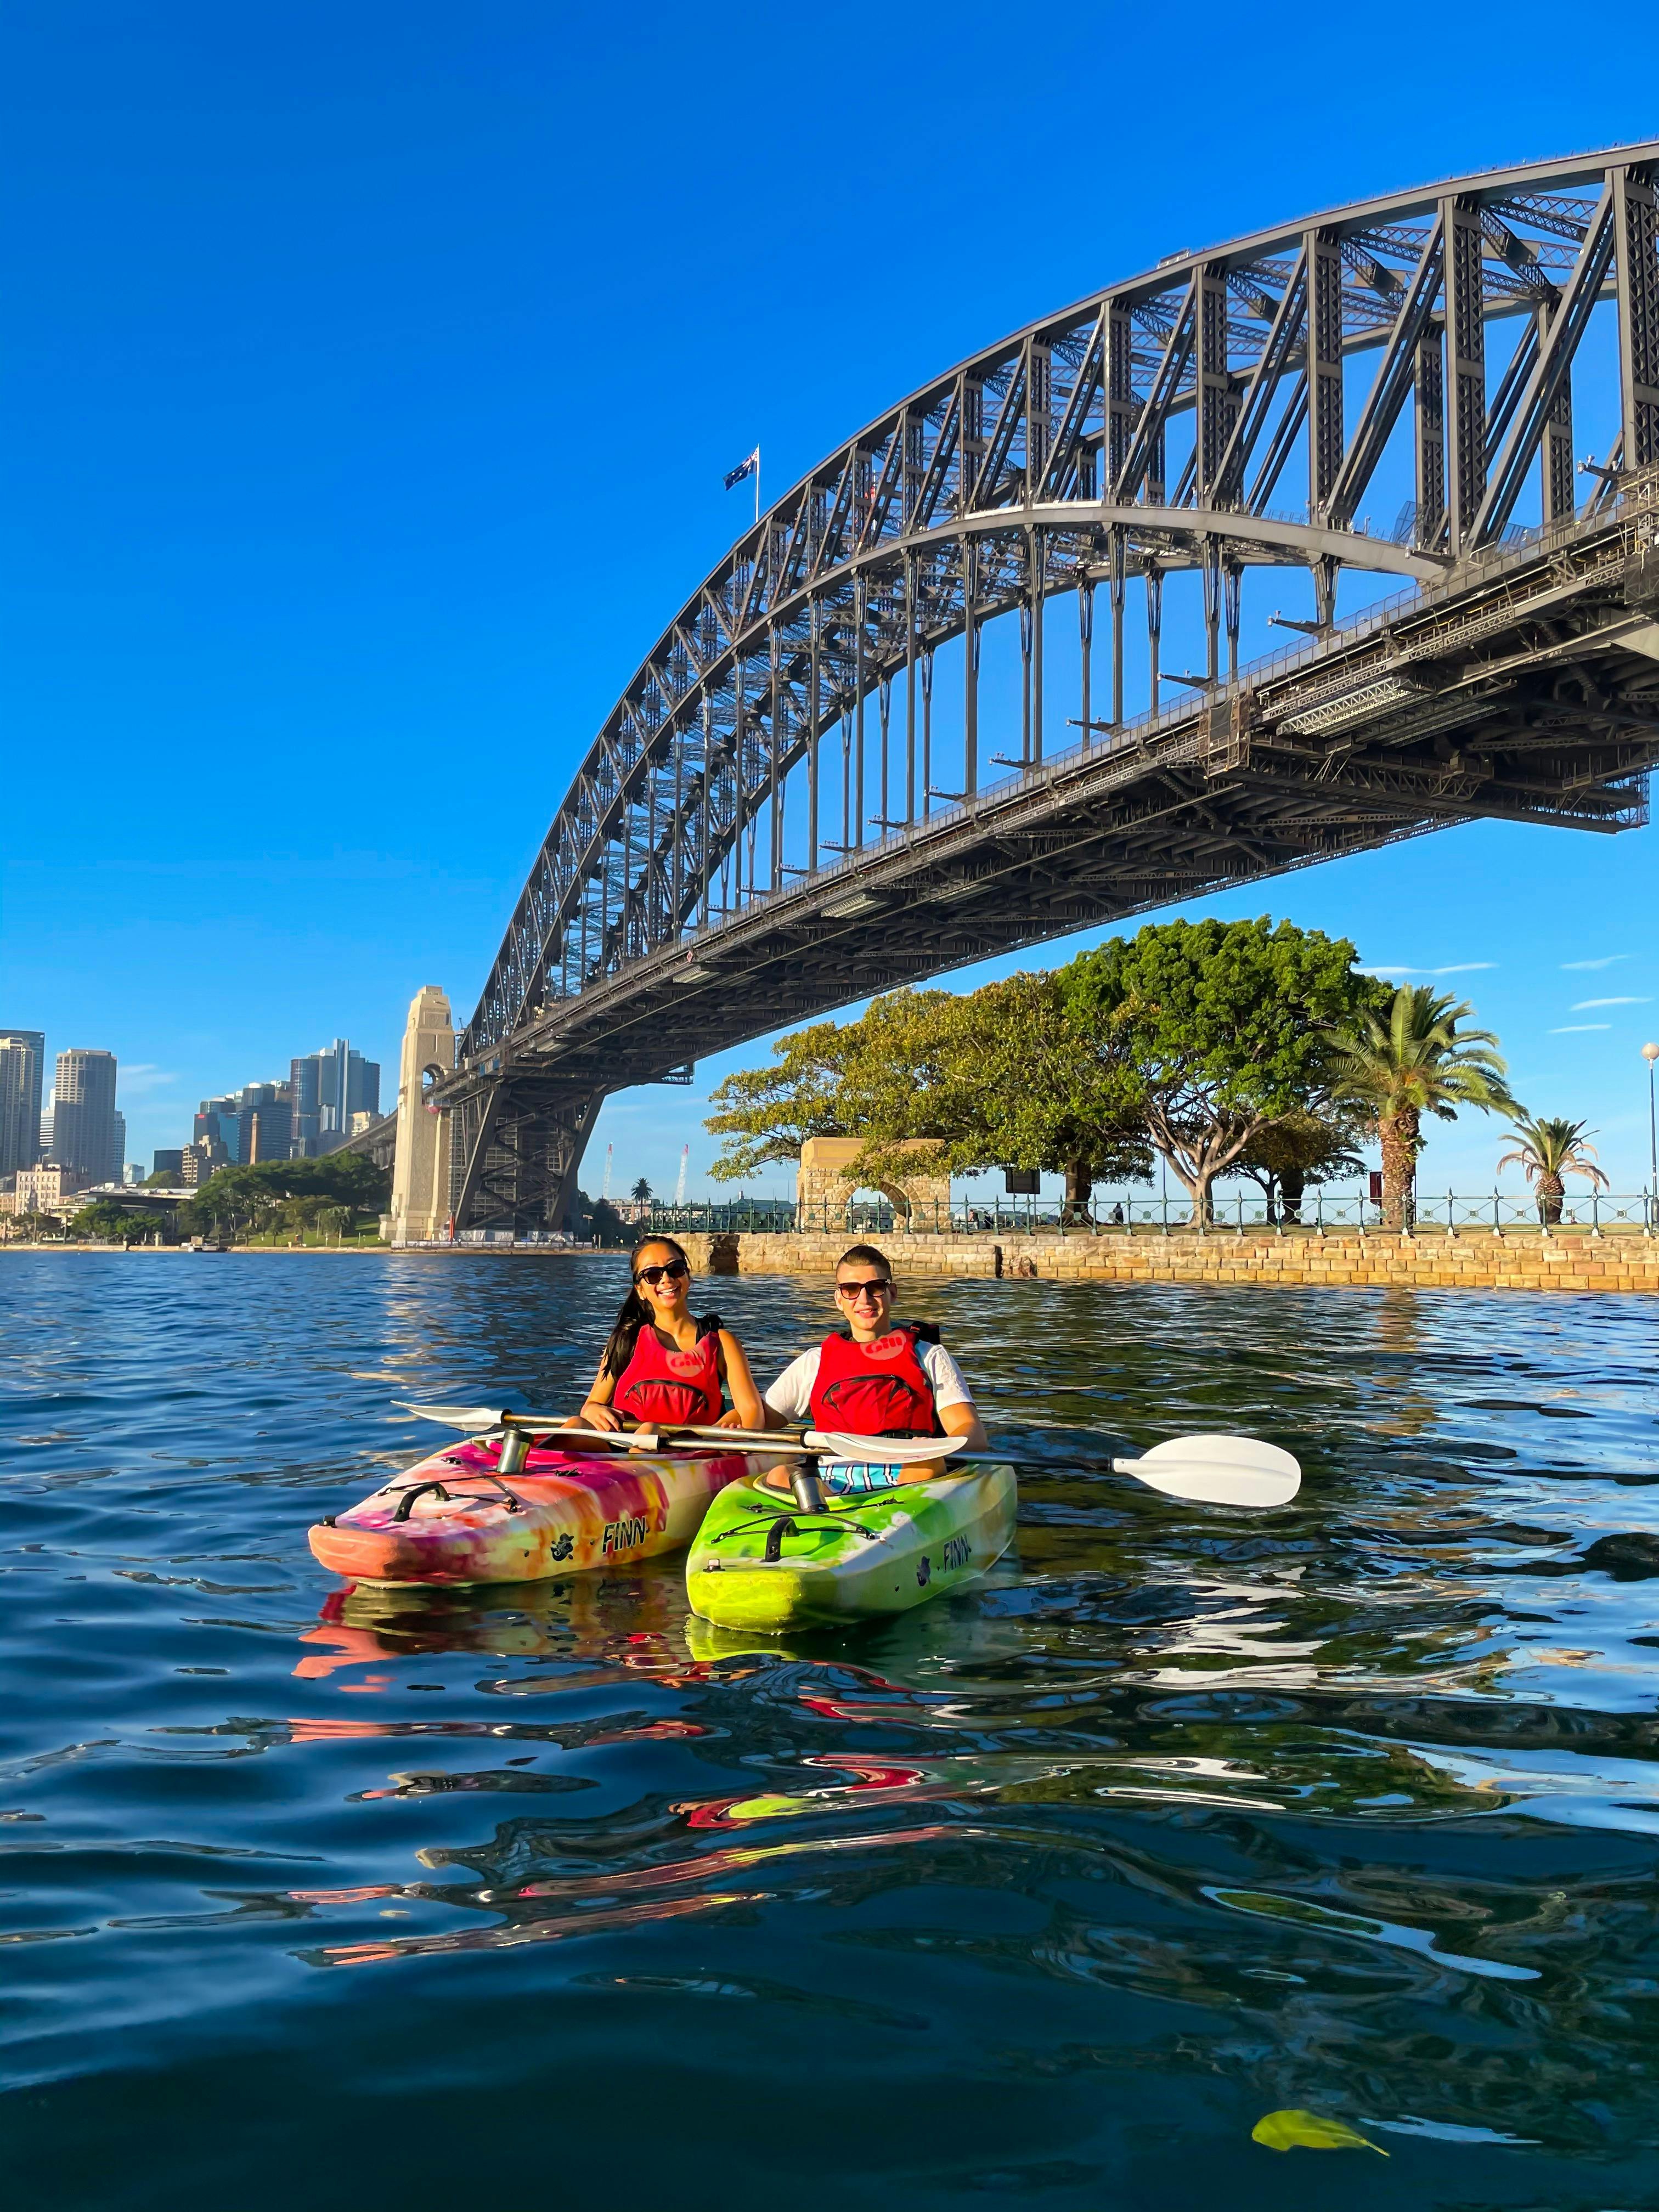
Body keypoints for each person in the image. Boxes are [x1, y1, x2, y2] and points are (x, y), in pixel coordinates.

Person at [760, 1243, 988, 1489]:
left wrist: (932, 1451)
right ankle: (829, 1513)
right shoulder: (814, 1361)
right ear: (839, 1299)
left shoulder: (928, 1355)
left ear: (893, 1293)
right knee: (780, 1475)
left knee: (927, 1466)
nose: (864, 1299)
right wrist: (725, 1426)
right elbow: (760, 1419)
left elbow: (970, 1430)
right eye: (851, 1289)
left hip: (910, 1475)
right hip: (832, 1477)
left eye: (876, 1288)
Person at [568, 1235, 765, 1434]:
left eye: (675, 1269)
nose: (666, 1279)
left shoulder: (722, 1343)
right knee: (575, 1425)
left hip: (690, 1454)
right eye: (652, 1274)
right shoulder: (626, 1340)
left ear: (688, 1276)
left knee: (649, 1431)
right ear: (640, 1290)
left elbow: (752, 1412)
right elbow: (591, 1404)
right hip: (622, 1449)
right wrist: (592, 1409)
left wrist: (728, 1430)